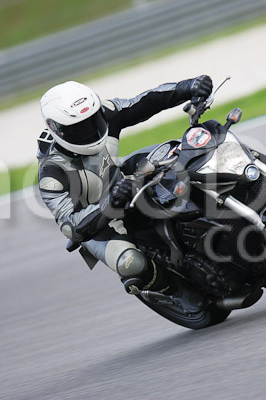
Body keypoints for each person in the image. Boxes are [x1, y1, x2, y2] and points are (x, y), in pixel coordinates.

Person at [37, 76, 213, 311]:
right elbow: (71, 226)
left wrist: (187, 87)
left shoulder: (105, 112)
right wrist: (109, 203)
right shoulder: (52, 174)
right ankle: (174, 290)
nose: (90, 130)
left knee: (179, 156)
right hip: (99, 223)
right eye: (78, 128)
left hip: (122, 180)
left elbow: (145, 101)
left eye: (92, 121)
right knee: (131, 263)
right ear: (56, 129)